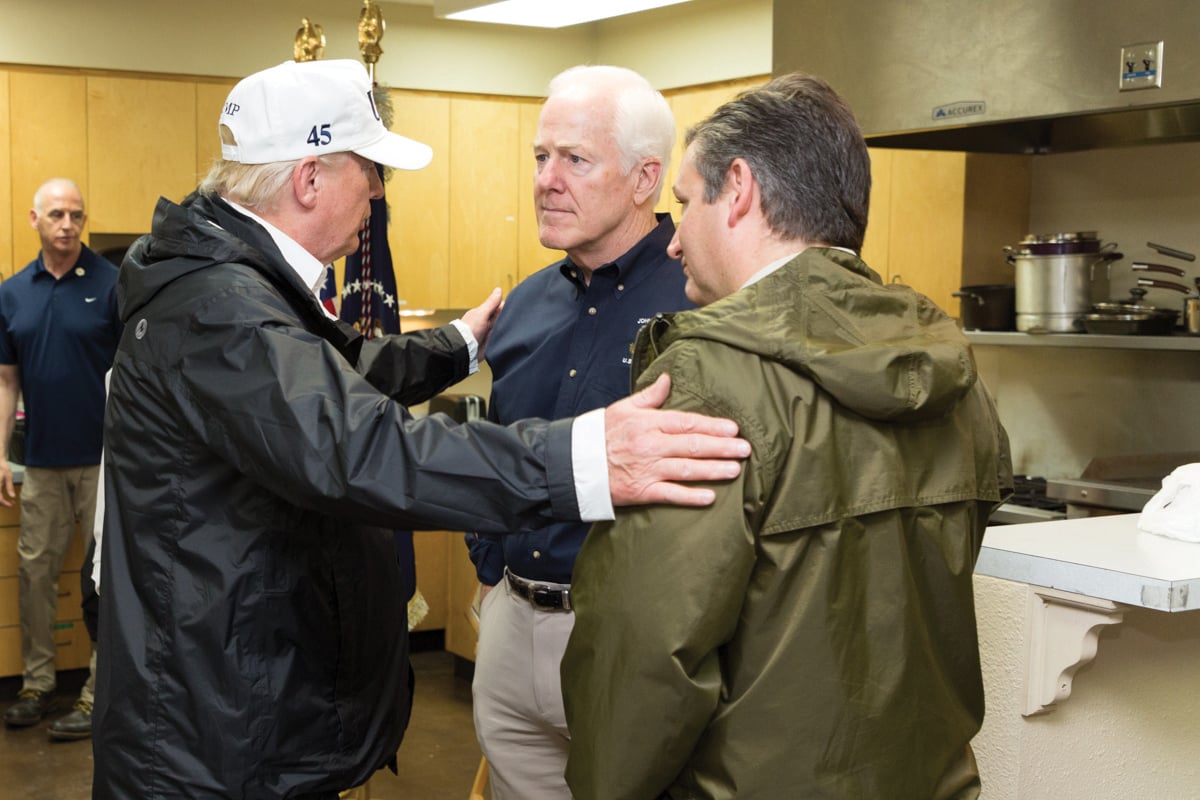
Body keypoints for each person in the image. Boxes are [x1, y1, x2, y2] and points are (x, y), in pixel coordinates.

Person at [92, 58, 747, 800]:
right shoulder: (223, 307)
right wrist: (586, 458)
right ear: (309, 181)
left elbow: (327, 382)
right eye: (371, 173)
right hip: (209, 732)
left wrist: (457, 344)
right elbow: (358, 445)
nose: (376, 195)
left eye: (573, 158)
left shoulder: (229, 283)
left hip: (228, 705)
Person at [560, 72, 1014, 800]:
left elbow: (644, 653)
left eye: (684, 204)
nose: (671, 245)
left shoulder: (710, 378)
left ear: (737, 189)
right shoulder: (950, 370)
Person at [465, 65, 694, 800]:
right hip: (511, 621)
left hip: (626, 637)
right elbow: (496, 446)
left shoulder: (700, 302)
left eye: (575, 159)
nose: (546, 180)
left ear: (643, 178)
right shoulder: (525, 304)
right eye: (540, 157)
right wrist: (491, 566)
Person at [0, 178, 121, 741]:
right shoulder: (12, 292)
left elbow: (132, 376)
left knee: (104, 580)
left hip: (104, 462)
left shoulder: (112, 283)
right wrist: (1, 454)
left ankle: (99, 691)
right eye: (56, 214)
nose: (68, 224)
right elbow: (6, 382)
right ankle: (37, 684)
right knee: (36, 574)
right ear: (34, 219)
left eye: (76, 214)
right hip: (42, 463)